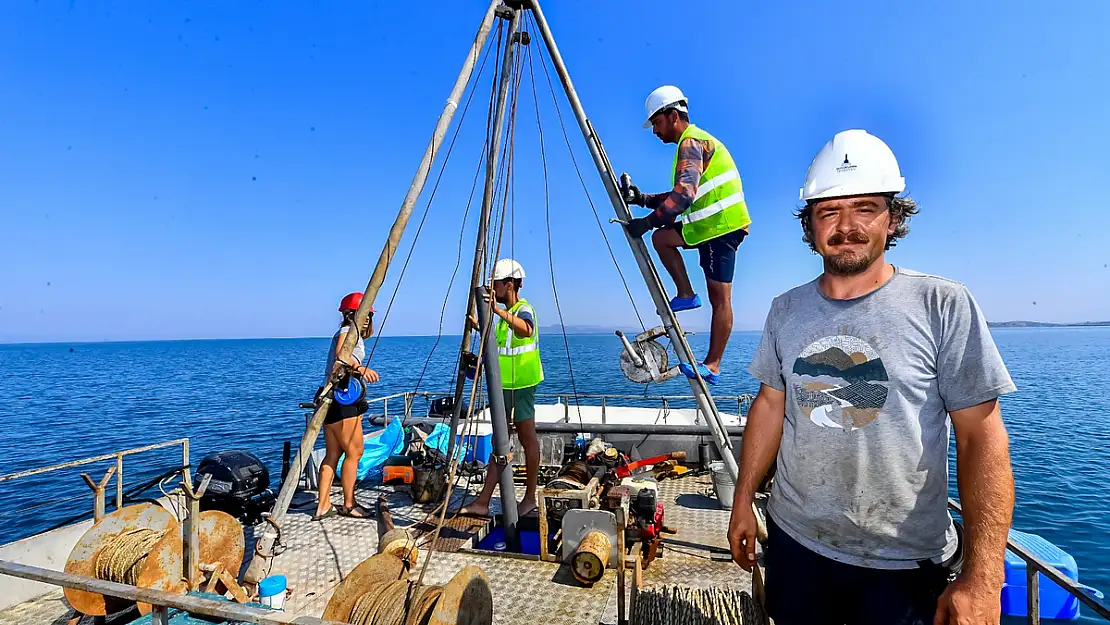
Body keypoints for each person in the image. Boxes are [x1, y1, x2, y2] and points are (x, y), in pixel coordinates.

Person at [727, 129, 1016, 625]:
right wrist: (741, 502)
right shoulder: (785, 310)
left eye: (864, 207)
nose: (846, 227)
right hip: (796, 544)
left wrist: (983, 579)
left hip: (903, 565)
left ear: (892, 217)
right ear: (810, 224)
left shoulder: (942, 305)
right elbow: (770, 406)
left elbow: (981, 440)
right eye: (828, 212)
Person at [623, 85, 751, 385]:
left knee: (720, 299)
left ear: (672, 115)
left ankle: (714, 364)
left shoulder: (690, 142)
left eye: (656, 122)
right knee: (663, 239)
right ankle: (685, 294)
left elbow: (682, 197)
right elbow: (678, 194)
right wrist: (642, 199)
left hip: (721, 227)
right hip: (707, 225)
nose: (654, 130)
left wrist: (647, 222)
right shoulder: (695, 143)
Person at [457, 259, 544, 518]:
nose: (492, 288)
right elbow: (500, 350)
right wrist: (478, 324)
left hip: (522, 387)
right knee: (500, 443)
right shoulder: (504, 317)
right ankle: (483, 501)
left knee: (528, 441)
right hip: (504, 387)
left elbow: (526, 330)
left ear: (509, 284)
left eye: (496, 283)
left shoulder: (522, 309)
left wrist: (496, 311)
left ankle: (529, 499)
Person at [312, 291, 380, 521]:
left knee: (333, 453)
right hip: (343, 401)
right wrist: (361, 369)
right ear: (354, 315)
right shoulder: (347, 332)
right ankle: (349, 504)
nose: (369, 319)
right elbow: (343, 356)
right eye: (367, 315)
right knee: (355, 451)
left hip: (330, 398)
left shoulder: (349, 333)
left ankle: (323, 505)